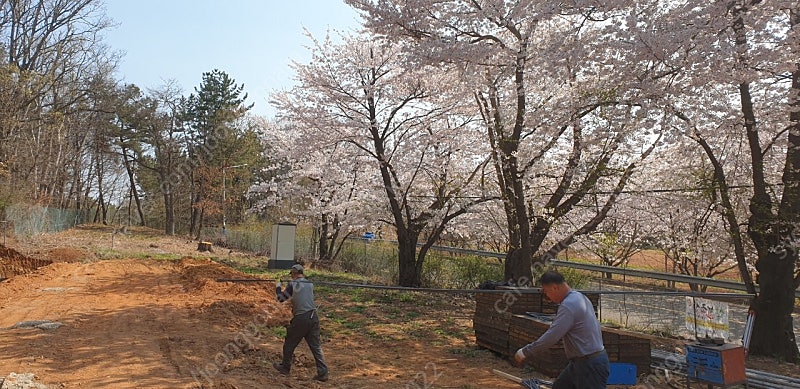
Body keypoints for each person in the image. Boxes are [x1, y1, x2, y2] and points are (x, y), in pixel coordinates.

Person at [514, 270, 609, 389]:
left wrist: (524, 352)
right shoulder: (579, 297)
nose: (547, 296)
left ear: (554, 287)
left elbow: (552, 336)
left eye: (546, 291)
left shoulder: (568, 305)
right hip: (580, 363)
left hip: (589, 365)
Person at [273, 264, 329, 382]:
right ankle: (323, 373)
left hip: (301, 318)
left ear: (294, 273)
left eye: (292, 274)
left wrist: (278, 286)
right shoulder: (310, 284)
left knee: (289, 343)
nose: (292, 277)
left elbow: (281, 298)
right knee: (316, 346)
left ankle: (285, 367)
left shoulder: (293, 284)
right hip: (313, 317)